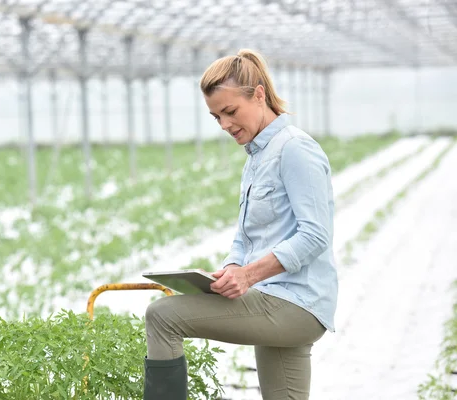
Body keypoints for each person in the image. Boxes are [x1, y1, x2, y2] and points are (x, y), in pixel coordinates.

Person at [143, 49, 338, 400]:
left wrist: (248, 276)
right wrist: (232, 267)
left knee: (162, 317)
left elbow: (315, 235)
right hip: (275, 296)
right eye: (216, 117)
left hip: (295, 302)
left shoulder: (294, 149)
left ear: (259, 94)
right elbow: (246, 236)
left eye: (230, 112)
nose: (225, 125)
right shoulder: (256, 156)